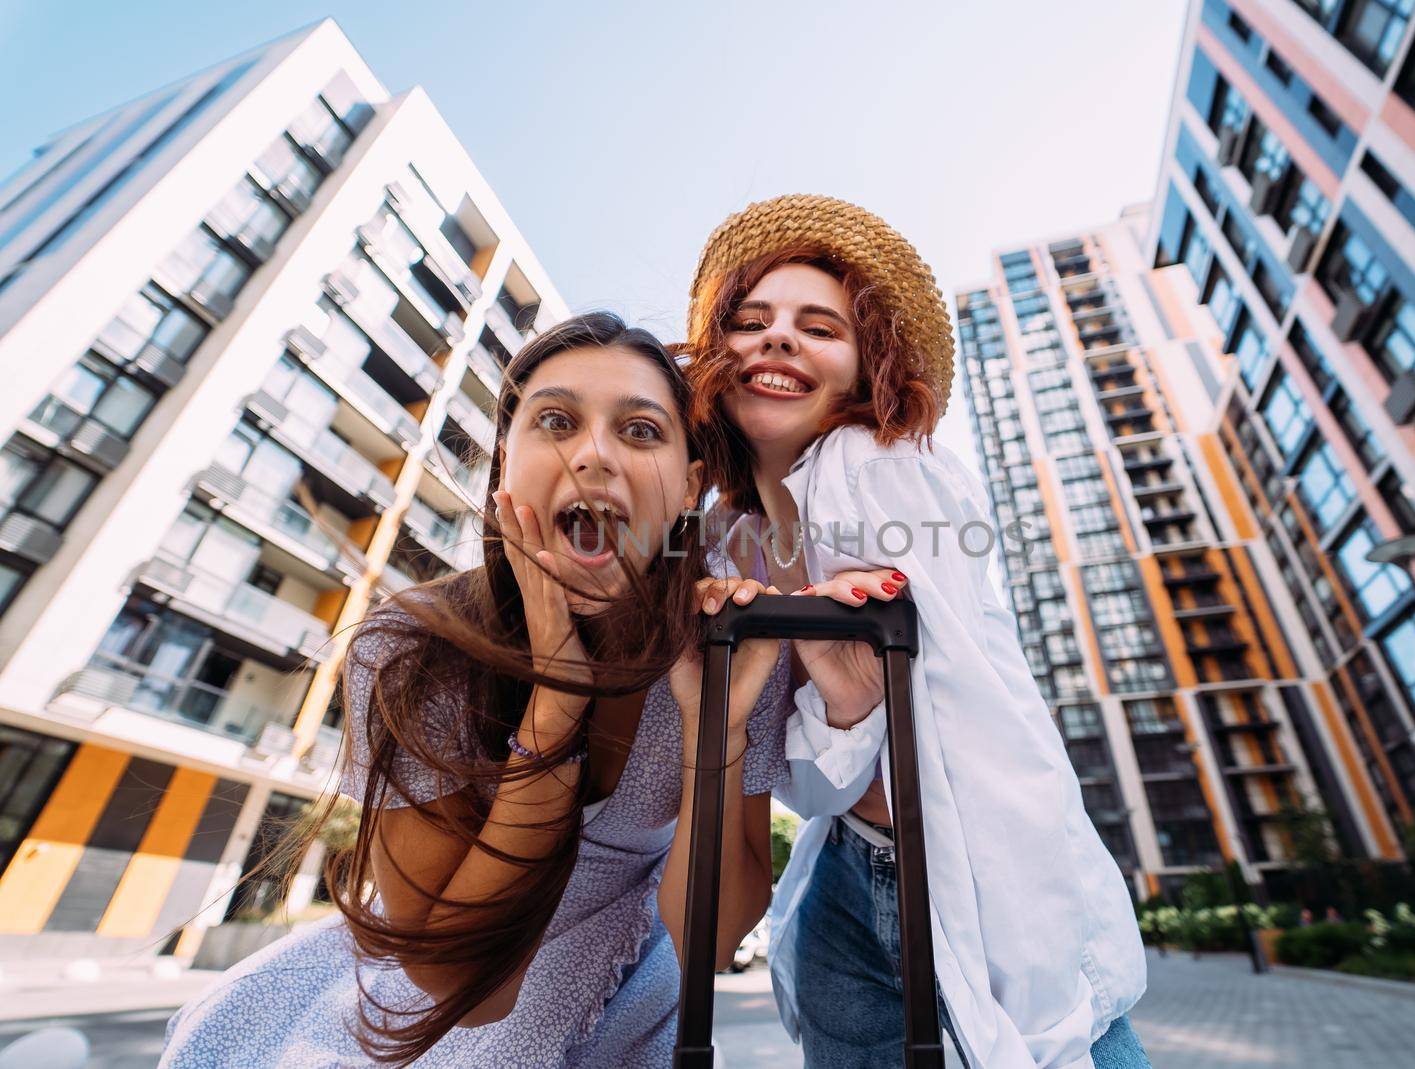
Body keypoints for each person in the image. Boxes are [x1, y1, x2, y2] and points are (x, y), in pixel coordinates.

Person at [163, 311, 816, 1067]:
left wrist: (715, 734)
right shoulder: (413, 646)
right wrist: (557, 702)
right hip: (420, 994)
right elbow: (453, 980)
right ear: (506, 461)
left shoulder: (730, 644)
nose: (594, 453)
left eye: (640, 431)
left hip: (626, 983)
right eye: (557, 420)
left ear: (689, 487)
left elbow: (713, 935)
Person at [685, 195, 1150, 1068]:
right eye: (752, 322)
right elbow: (814, 786)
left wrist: (1046, 1008)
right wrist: (846, 699)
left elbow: (981, 732)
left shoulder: (879, 465)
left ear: (867, 370)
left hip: (968, 869)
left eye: (818, 326)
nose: (780, 339)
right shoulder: (734, 537)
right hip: (845, 869)